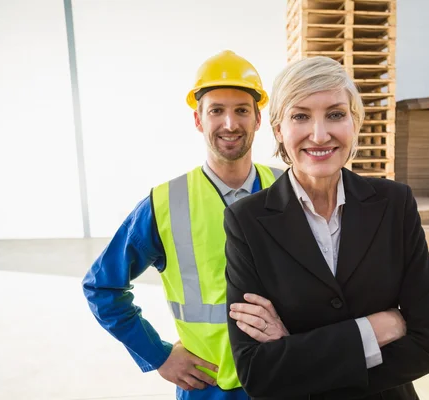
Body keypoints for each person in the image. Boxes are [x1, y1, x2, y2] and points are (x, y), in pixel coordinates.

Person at [223, 56, 429, 399]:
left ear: (354, 123)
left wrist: (295, 351)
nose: (319, 134)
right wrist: (374, 329)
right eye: (300, 116)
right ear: (279, 130)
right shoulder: (246, 221)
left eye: (335, 114)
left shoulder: (394, 204)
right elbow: (257, 371)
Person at [82, 50, 283, 400]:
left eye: (241, 110)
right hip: (209, 388)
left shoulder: (289, 191)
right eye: (216, 110)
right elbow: (102, 287)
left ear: (258, 119)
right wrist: (159, 356)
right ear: (198, 120)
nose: (230, 124)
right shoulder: (165, 203)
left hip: (287, 376)